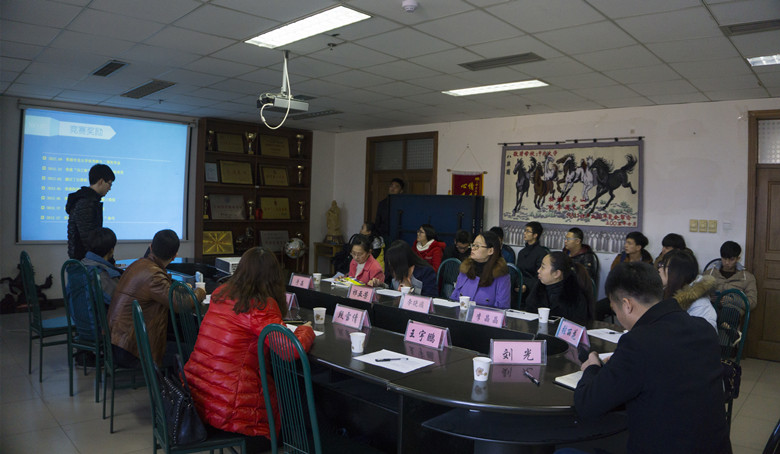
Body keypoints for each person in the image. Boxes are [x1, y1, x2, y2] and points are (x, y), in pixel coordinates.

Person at [572, 262, 731, 454]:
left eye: (615, 311)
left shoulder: (637, 342)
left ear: (627, 305)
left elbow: (587, 405)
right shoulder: (703, 328)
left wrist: (592, 367)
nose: (618, 317)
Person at [184, 247, 315, 452]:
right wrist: (305, 330)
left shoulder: (221, 292)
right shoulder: (260, 305)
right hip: (231, 408)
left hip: (200, 395)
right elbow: (289, 350)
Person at [108, 229, 205, 368]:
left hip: (118, 340)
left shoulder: (139, 264)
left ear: (151, 247)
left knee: (179, 334)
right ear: (174, 256)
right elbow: (179, 304)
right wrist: (200, 292)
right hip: (131, 349)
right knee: (195, 351)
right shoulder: (153, 275)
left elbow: (163, 290)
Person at [595, 231, 653, 320]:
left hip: (638, 300)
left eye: (629, 243)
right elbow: (612, 280)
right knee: (596, 308)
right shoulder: (620, 259)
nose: (625, 245)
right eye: (626, 242)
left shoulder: (648, 263)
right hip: (618, 297)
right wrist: (613, 299)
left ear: (638, 247)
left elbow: (647, 287)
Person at [525, 251, 593, 325]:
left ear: (556, 273)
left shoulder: (574, 296)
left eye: (543, 267)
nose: (538, 270)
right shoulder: (538, 288)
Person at [658, 249, 717, 331]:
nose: (659, 269)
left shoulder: (701, 305)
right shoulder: (664, 293)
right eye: (660, 264)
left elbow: (703, 335)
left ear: (679, 272)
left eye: (664, 266)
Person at [66, 163, 115, 260]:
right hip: (85, 262)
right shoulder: (86, 203)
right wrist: (107, 260)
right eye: (109, 184)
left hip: (85, 260)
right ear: (101, 181)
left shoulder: (89, 200)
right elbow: (90, 240)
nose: (110, 188)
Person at [450, 231, 511, 309]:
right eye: (473, 245)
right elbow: (454, 298)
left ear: (490, 251)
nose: (473, 248)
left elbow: (502, 308)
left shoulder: (501, 276)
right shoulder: (466, 269)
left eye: (477, 246)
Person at [704, 241, 757, 316]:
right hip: (711, 310)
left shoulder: (747, 277)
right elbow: (697, 295)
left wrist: (733, 300)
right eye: (724, 258)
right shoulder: (709, 273)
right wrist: (709, 298)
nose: (727, 262)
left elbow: (752, 303)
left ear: (738, 259)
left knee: (729, 313)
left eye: (731, 259)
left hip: (732, 313)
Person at [368, 240, 437, 297]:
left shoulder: (425, 271)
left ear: (401, 263)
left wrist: (410, 290)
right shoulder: (393, 269)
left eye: (394, 265)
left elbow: (431, 297)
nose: (392, 269)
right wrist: (381, 285)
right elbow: (391, 289)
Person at [81, 227, 123, 305]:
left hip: (77, 312)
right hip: (101, 312)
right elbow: (119, 301)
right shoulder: (101, 273)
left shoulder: (80, 265)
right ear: (111, 251)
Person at [516, 221, 546, 295]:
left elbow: (540, 277)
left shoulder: (541, 253)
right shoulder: (522, 252)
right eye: (525, 230)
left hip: (533, 290)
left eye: (528, 231)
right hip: (520, 285)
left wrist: (526, 286)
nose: (524, 233)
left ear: (535, 235)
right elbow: (518, 272)